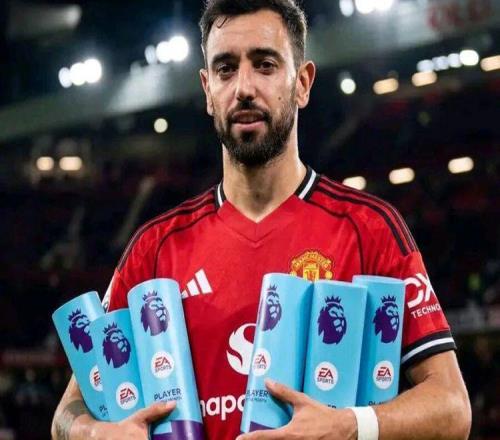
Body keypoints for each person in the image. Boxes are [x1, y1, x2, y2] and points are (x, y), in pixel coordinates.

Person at [51, 1, 472, 439]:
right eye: (226, 69)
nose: (244, 87)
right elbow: (68, 412)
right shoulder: (154, 249)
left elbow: (452, 406)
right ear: (207, 90)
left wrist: (349, 426)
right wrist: (95, 434)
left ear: (302, 83)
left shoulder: (370, 229)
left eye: (265, 65)